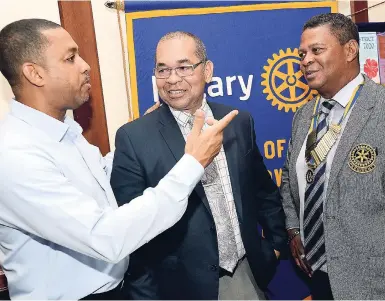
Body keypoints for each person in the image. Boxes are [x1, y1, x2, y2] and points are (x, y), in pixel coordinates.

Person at [0, 19, 238, 300]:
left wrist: (143, 142)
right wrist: (193, 163)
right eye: (71, 58)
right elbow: (106, 237)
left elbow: (101, 179)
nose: (86, 65)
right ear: (35, 74)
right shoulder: (14, 155)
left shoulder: (66, 133)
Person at [110, 31, 287, 300]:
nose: (172, 79)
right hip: (181, 289)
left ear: (207, 70)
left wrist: (274, 245)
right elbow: (130, 231)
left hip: (246, 275)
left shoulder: (237, 122)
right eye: (163, 70)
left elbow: (263, 191)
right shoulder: (134, 138)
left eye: (183, 67)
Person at [281, 13, 385, 300]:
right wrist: (293, 230)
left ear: (350, 50)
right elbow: (289, 181)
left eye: (317, 50)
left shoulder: (380, 109)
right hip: (319, 275)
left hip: (373, 282)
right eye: (302, 53)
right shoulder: (304, 116)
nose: (305, 60)